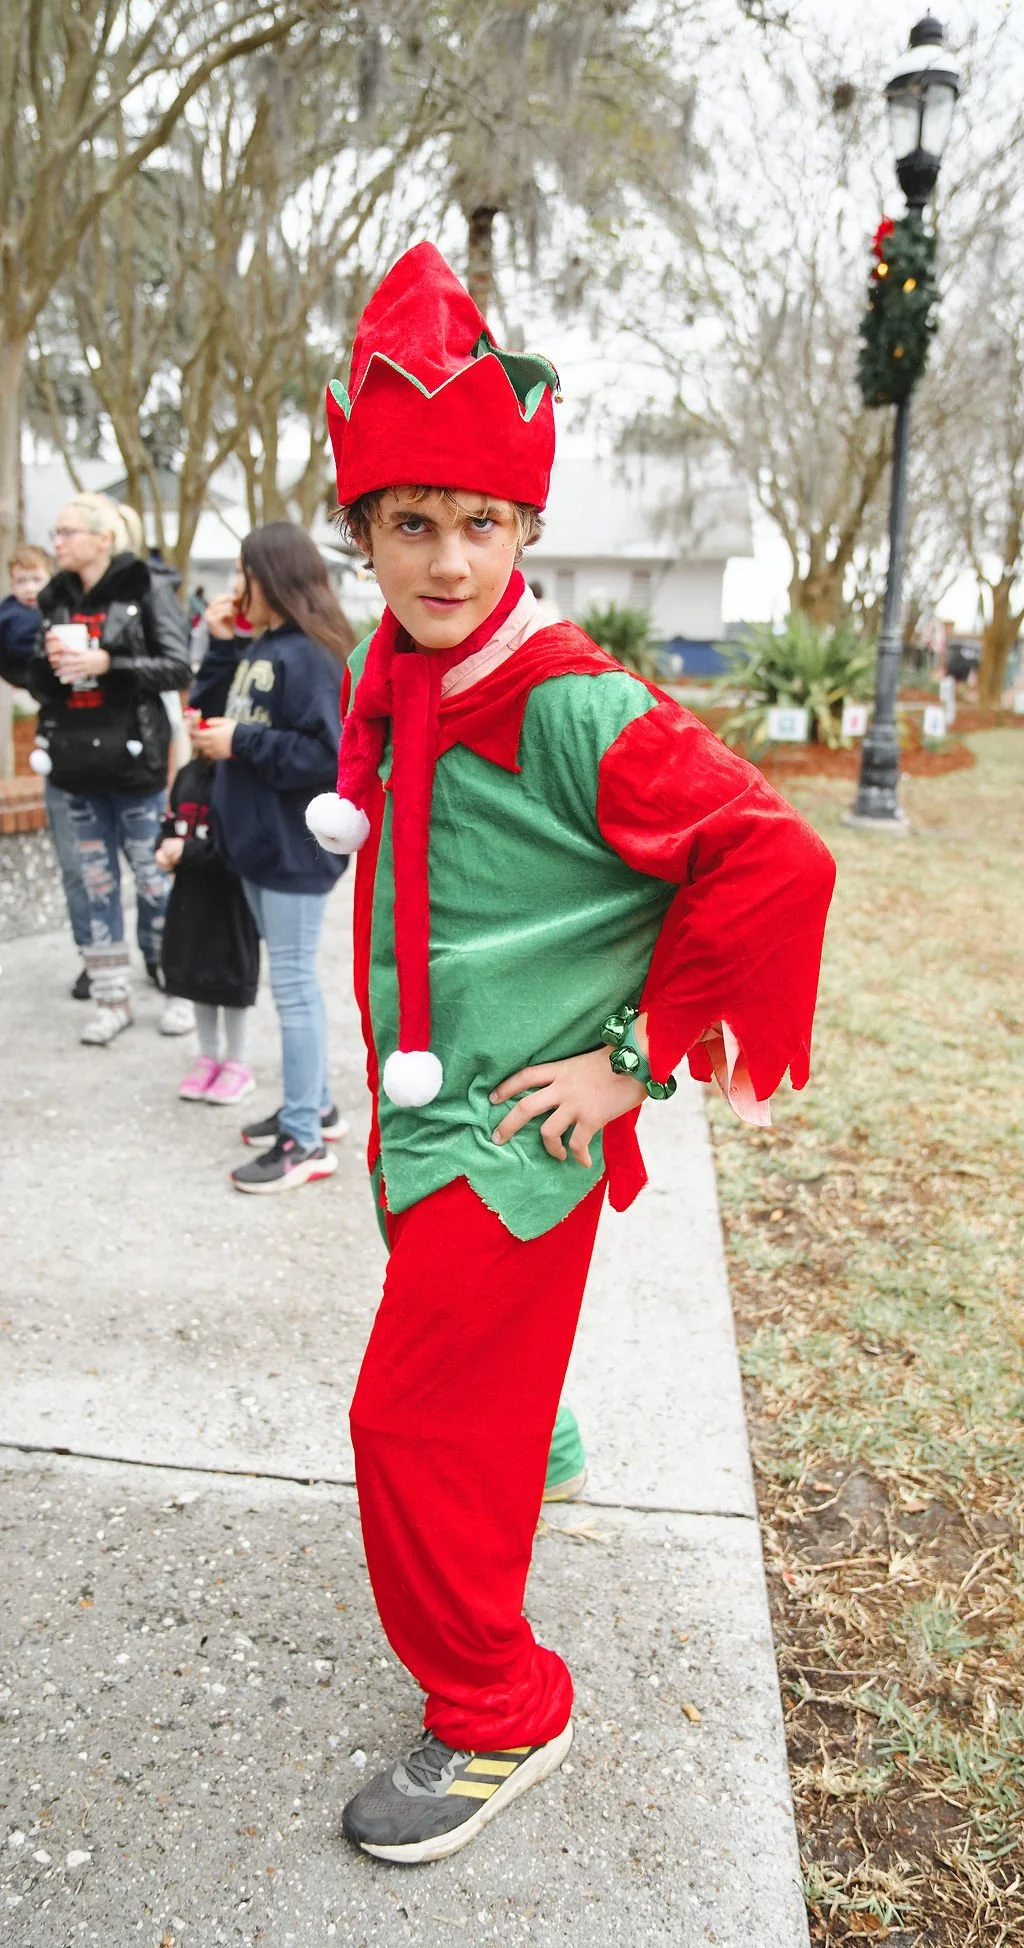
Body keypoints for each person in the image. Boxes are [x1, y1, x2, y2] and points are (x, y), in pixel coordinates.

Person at [304, 243, 836, 1864]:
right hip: (427, 1101)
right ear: (367, 531)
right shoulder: (395, 666)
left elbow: (775, 863)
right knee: (457, 1361)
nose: (447, 558)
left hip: (510, 1126)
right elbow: (376, 737)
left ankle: (496, 1705)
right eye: (412, 523)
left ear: (523, 526)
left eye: (479, 523)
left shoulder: (568, 701)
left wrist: (637, 1058)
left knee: (400, 1423)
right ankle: (532, 1439)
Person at [190, 523, 354, 1192]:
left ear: (274, 578)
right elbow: (205, 711)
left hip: (292, 849)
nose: (236, 589)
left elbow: (327, 757)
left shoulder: (312, 655)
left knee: (292, 988)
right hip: (258, 846)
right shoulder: (264, 644)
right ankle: (311, 1106)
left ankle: (306, 1141)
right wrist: (223, 641)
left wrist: (245, 743)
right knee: (290, 985)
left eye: (243, 576)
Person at [24, 494, 192, 1042]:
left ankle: (178, 988)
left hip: (135, 765)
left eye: (68, 532)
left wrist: (107, 664)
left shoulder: (145, 587)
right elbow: (35, 679)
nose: (58, 542)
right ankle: (110, 998)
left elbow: (176, 665)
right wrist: (48, 666)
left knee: (152, 880)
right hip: (74, 763)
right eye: (56, 532)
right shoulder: (53, 597)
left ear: (102, 539)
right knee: (96, 884)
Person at [0, 543, 95, 994]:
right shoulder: (18, 621)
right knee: (75, 865)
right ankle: (92, 958)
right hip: (59, 746)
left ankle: (149, 951)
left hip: (112, 755)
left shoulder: (89, 609)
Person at [155, 735, 261, 1104]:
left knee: (229, 981)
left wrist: (189, 850)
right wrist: (164, 849)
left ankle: (237, 1062)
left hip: (229, 899)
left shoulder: (238, 777)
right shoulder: (187, 774)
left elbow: (237, 847)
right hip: (190, 896)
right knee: (195, 976)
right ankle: (208, 1057)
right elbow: (170, 824)